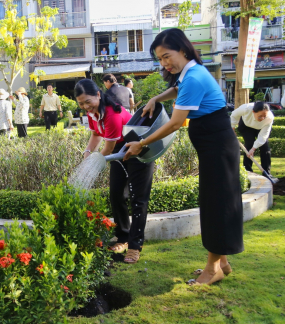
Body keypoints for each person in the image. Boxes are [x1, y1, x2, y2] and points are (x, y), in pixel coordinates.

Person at [124, 28, 243, 285]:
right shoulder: (190, 73)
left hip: (218, 148)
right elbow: (176, 90)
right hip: (215, 146)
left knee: (216, 205)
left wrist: (141, 143)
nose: (165, 63)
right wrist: (156, 97)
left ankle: (213, 269)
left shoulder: (194, 77)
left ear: (184, 50)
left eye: (167, 56)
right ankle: (222, 262)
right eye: (160, 60)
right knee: (216, 201)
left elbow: (176, 123)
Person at [75, 79, 154, 264]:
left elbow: (108, 150)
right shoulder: (93, 114)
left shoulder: (112, 113)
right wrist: (88, 152)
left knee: (138, 198)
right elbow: (95, 134)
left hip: (138, 150)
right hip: (119, 151)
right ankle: (124, 237)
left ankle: (135, 246)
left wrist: (93, 162)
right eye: (81, 104)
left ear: (98, 95)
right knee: (116, 194)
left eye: (88, 101)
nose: (86, 106)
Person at [231, 101, 274, 176]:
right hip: (246, 126)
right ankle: (248, 171)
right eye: (260, 116)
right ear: (253, 111)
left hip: (261, 128)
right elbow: (234, 115)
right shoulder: (246, 108)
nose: (263, 118)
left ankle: (267, 172)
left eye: (265, 116)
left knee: (265, 147)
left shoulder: (269, 118)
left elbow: (263, 136)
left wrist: (253, 149)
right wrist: (232, 128)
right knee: (249, 145)